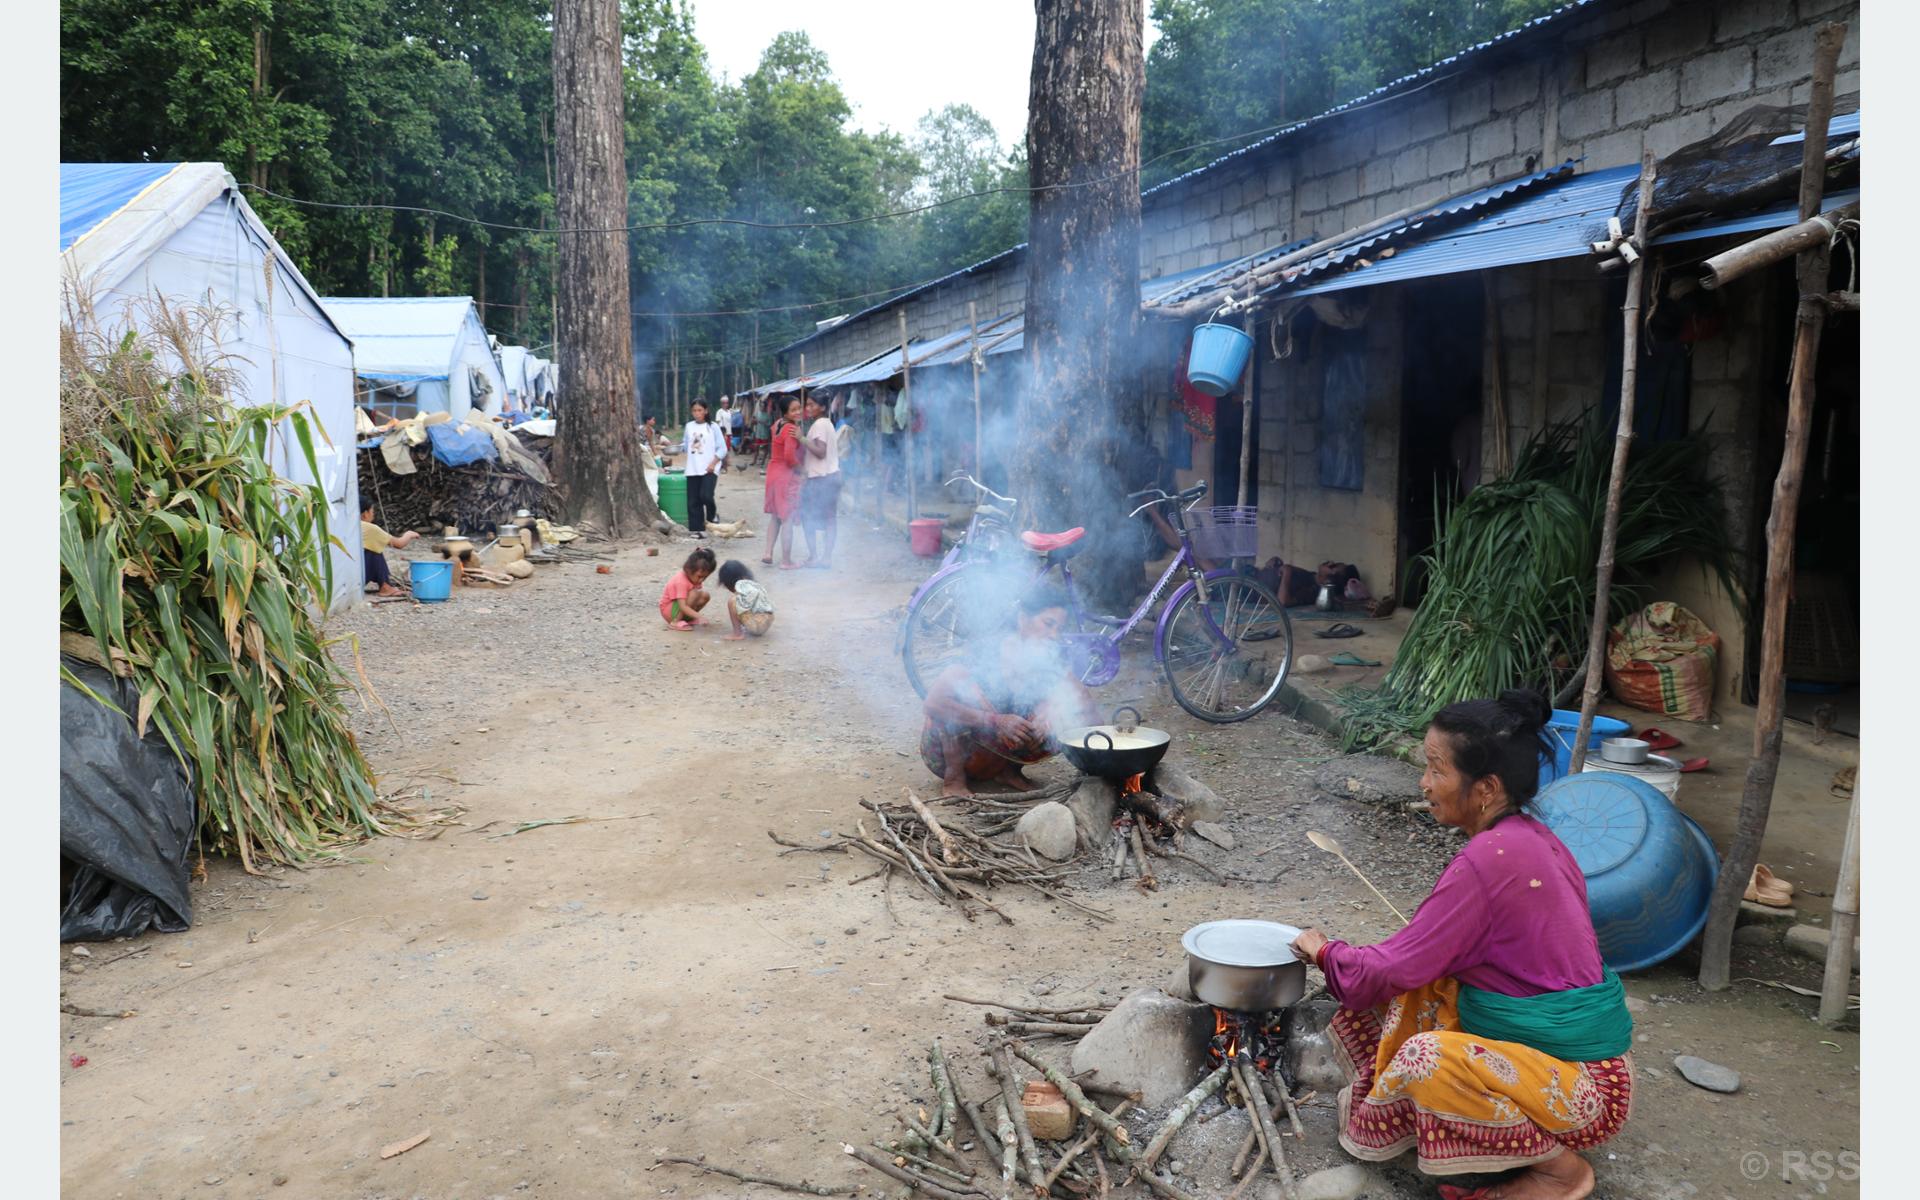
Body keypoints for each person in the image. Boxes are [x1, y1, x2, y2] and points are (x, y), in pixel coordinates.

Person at [1288, 690, 1634, 1200]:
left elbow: (1379, 974)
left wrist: (1325, 953)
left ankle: (1558, 1170)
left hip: (1582, 1093)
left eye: (1436, 769)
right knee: (1421, 989)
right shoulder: (1532, 837)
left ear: (1486, 788)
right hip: (1593, 1069)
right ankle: (1458, 1134)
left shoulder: (1488, 860)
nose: (1424, 783)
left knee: (1424, 1052)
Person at [920, 588, 1095, 798]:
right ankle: (954, 779)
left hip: (995, 754)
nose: (1054, 635)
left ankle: (1008, 772)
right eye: (1048, 624)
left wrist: (1050, 714)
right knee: (958, 700)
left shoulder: (1047, 657)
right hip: (947, 754)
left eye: (1060, 628)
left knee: (1065, 708)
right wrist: (994, 720)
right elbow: (933, 703)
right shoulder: (988, 650)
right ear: (1023, 619)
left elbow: (1081, 698)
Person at [798, 392, 842, 569]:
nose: (808, 408)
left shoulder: (819, 424)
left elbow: (820, 451)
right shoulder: (827, 423)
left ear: (822, 407)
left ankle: (815, 557)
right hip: (831, 477)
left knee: (808, 518)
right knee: (830, 518)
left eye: (812, 405)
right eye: (807, 405)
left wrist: (801, 438)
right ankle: (826, 558)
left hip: (820, 479)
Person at [761, 396, 805, 568]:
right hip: (785, 476)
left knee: (775, 517)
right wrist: (802, 470)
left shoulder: (777, 424)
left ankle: (768, 553)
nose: (798, 412)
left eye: (799, 408)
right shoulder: (792, 430)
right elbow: (789, 457)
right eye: (793, 410)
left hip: (772, 472)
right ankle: (786, 561)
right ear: (785, 412)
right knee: (786, 518)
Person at [682, 399, 727, 538]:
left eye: (700, 410)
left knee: (706, 496)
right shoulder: (689, 426)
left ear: (706, 411)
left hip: (709, 468)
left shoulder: (712, 427)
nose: (697, 413)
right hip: (693, 467)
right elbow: (685, 445)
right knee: (693, 500)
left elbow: (722, 448)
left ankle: (712, 515)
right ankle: (697, 530)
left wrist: (713, 464)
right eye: (694, 410)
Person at [360, 502, 420, 597]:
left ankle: (386, 586)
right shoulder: (368, 528)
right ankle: (385, 587)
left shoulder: (344, 525)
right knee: (375, 551)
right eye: (372, 512)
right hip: (357, 578)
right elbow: (399, 544)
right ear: (365, 513)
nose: (373, 515)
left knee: (371, 547)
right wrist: (409, 534)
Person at [659, 547, 718, 631]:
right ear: (688, 569)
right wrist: (700, 616)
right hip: (669, 611)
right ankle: (675, 622)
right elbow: (683, 606)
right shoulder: (681, 581)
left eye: (705, 577)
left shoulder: (693, 578)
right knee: (694, 593)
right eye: (699, 576)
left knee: (705, 595)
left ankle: (687, 619)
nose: (701, 580)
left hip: (677, 609)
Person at [716, 559, 775, 640]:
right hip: (768, 621)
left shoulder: (740, 592)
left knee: (732, 601)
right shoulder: (754, 586)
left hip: (756, 625)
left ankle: (737, 634)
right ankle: (751, 627)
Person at [750, 397, 773, 469]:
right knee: (756, 447)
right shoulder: (758, 413)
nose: (761, 407)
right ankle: (754, 460)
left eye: (763, 406)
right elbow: (754, 422)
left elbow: (770, 425)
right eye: (761, 406)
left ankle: (763, 461)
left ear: (765, 407)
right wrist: (754, 421)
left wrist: (762, 422)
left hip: (765, 434)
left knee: (765, 448)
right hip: (758, 433)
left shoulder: (769, 415)